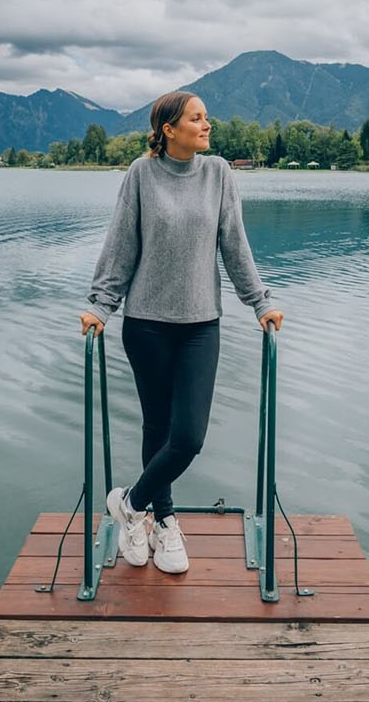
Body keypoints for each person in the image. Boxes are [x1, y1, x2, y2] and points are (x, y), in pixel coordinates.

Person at [79, 90, 284, 574]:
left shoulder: (218, 174)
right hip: (146, 325)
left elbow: (235, 245)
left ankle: (130, 503)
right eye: (197, 118)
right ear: (169, 129)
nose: (207, 125)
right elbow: (121, 246)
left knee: (188, 436)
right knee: (157, 426)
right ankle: (163, 522)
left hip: (200, 327)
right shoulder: (140, 175)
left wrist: (261, 302)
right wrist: (100, 307)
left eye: (206, 118)